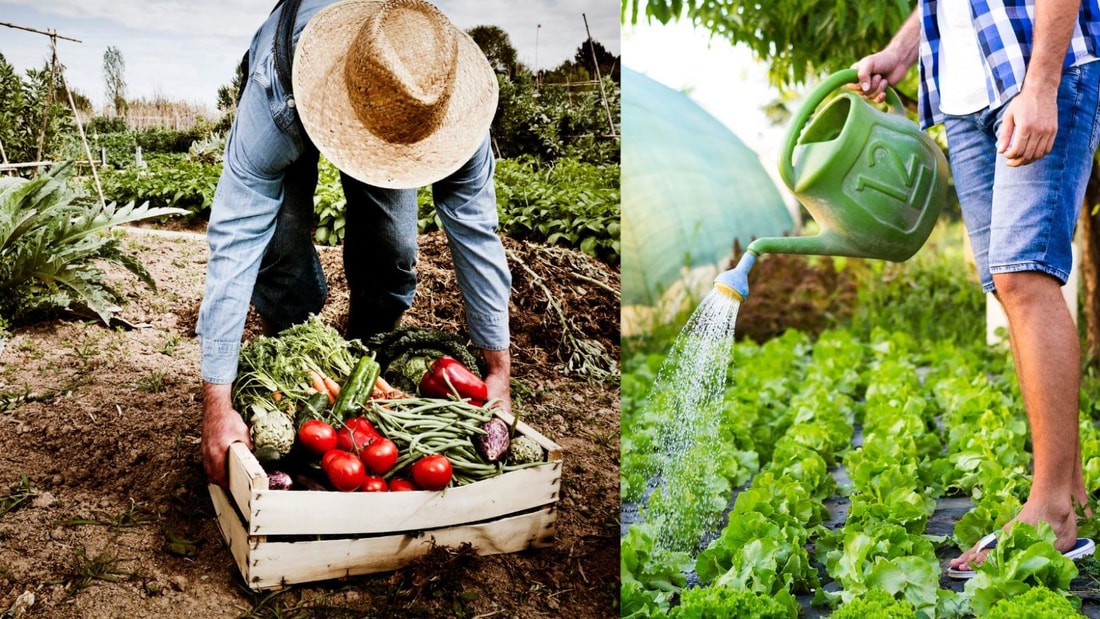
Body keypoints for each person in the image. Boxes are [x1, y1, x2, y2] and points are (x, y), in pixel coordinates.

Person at [197, 0, 514, 488]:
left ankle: (366, 360)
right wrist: (216, 405)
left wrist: (499, 371)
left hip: (393, 103)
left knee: (393, 248)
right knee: (279, 248)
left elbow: (476, 231)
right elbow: (235, 237)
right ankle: (298, 360)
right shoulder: (275, 93)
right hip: (301, 88)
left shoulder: (441, 101)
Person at [853, 0, 1100, 575]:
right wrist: (900, 52)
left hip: (1037, 69)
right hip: (964, 98)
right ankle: (1071, 489)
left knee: (1024, 275)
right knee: (1006, 284)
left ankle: (1052, 511)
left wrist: (1040, 85)